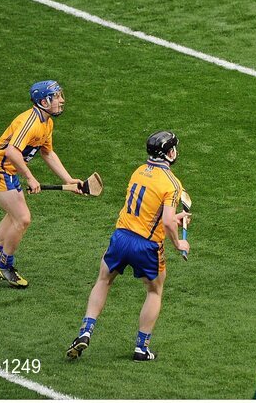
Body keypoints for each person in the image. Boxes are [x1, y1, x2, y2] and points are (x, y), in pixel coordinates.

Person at [66, 131, 191, 361]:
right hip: (147, 246)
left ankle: (85, 331)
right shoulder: (173, 184)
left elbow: (149, 209)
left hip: (121, 237)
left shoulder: (138, 172)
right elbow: (164, 221)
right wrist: (178, 242)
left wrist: (175, 218)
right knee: (154, 291)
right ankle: (141, 348)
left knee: (104, 279)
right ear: (169, 153)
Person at [0, 80, 83, 288]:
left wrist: (68, 180)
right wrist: (30, 177)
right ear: (44, 101)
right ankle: (5, 265)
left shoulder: (47, 122)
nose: (62, 100)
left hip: (6, 170)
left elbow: (47, 153)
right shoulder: (31, 122)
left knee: (14, 215)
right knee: (23, 218)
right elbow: (11, 152)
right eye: (57, 96)